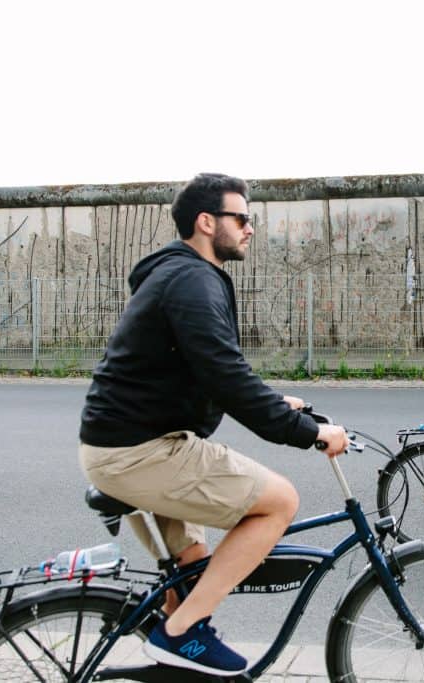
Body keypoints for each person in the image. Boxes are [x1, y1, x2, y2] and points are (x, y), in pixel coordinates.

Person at [78, 173, 349, 677]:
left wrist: (272, 399)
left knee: (195, 565)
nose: (250, 229)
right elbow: (224, 375)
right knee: (280, 502)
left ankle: (179, 640)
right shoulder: (192, 280)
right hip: (141, 450)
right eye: (241, 218)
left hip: (119, 445)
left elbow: (205, 368)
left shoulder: (177, 275)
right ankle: (179, 636)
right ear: (207, 222)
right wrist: (309, 432)